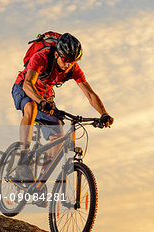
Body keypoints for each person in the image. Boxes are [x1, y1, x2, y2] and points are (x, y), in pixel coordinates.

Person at [11, 32, 113, 188]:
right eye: (65, 60)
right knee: (30, 107)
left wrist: (103, 114)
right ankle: (23, 161)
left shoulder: (73, 69)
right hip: (24, 89)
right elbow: (27, 84)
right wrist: (41, 102)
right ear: (57, 54)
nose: (68, 65)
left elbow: (90, 94)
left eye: (72, 61)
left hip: (45, 98)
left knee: (58, 137)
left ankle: (38, 185)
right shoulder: (42, 57)